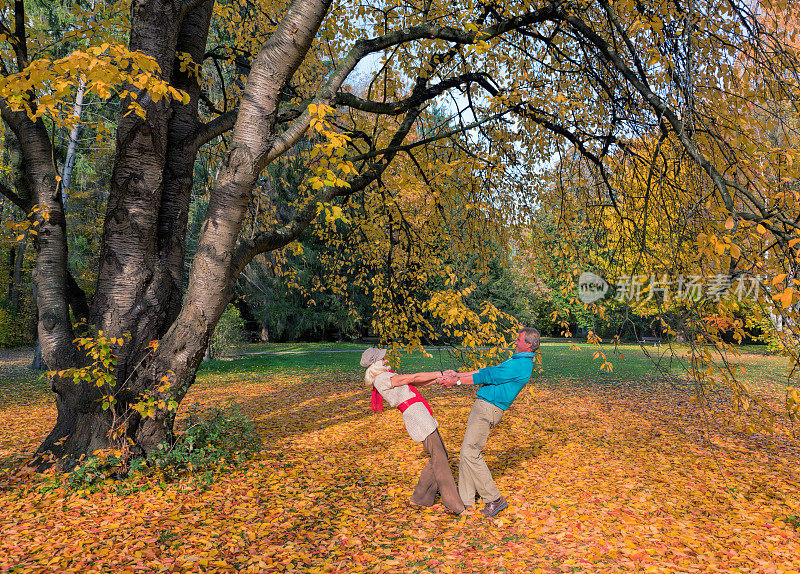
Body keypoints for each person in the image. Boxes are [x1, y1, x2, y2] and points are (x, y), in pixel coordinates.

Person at [439, 327, 540, 517]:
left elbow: (487, 376)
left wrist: (457, 382)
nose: (515, 342)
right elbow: (487, 371)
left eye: (518, 340)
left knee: (471, 453)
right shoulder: (516, 360)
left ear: (528, 344)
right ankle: (465, 502)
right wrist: (456, 376)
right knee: (466, 453)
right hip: (484, 406)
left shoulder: (520, 366)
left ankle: (494, 499)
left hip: (488, 409)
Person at [361, 347, 465, 515]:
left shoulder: (386, 376)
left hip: (419, 414)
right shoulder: (382, 378)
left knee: (439, 455)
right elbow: (413, 377)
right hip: (417, 417)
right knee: (440, 458)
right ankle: (454, 505)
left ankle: (420, 498)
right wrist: (439, 373)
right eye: (383, 359)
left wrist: (439, 379)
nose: (386, 360)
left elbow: (415, 382)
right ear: (376, 364)